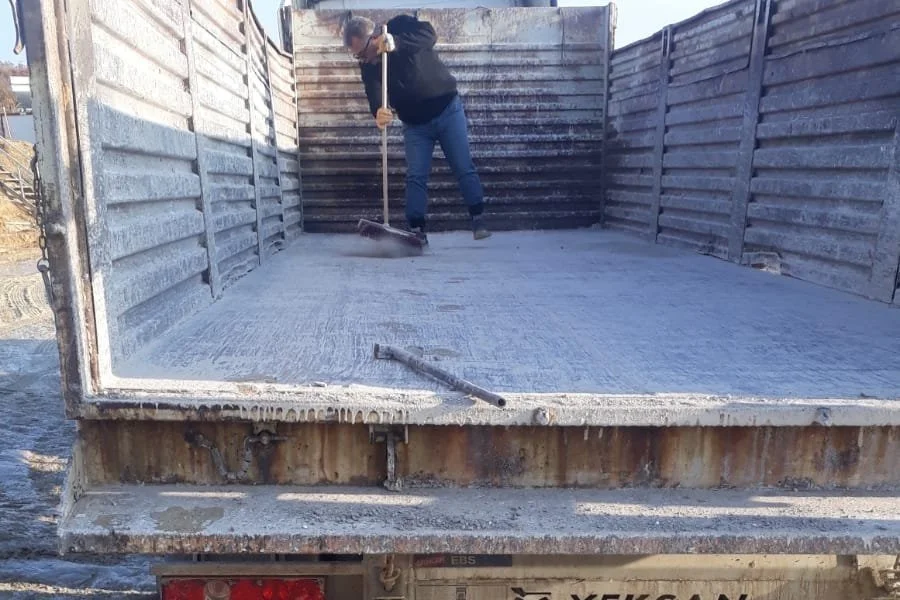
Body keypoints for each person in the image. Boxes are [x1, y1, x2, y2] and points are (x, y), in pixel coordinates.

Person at [343, 15, 491, 243]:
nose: (361, 58)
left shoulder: (400, 25)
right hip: (415, 124)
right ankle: (416, 229)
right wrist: (378, 112)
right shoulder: (369, 65)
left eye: (362, 52)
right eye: (356, 55)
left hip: (446, 108)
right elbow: (373, 93)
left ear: (373, 38)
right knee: (416, 176)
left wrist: (396, 42)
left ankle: (477, 216)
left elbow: (429, 35)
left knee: (462, 165)